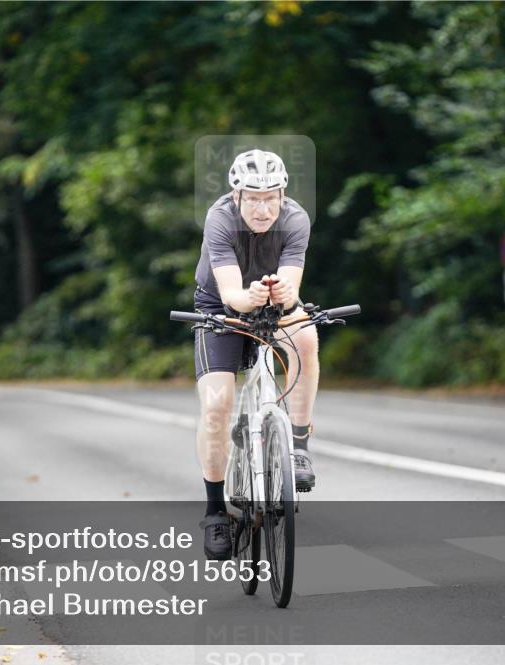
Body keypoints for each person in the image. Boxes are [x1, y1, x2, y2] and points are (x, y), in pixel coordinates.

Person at [192, 149, 319, 560]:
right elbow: (231, 293)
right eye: (253, 198)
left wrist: (284, 295)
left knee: (306, 339)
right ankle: (215, 512)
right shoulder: (220, 219)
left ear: (283, 194)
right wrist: (248, 299)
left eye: (271, 197)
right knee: (216, 407)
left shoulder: (296, 219)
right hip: (221, 307)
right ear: (237, 196)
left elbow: (291, 284)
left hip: (270, 302)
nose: (263, 208)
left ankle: (298, 445)